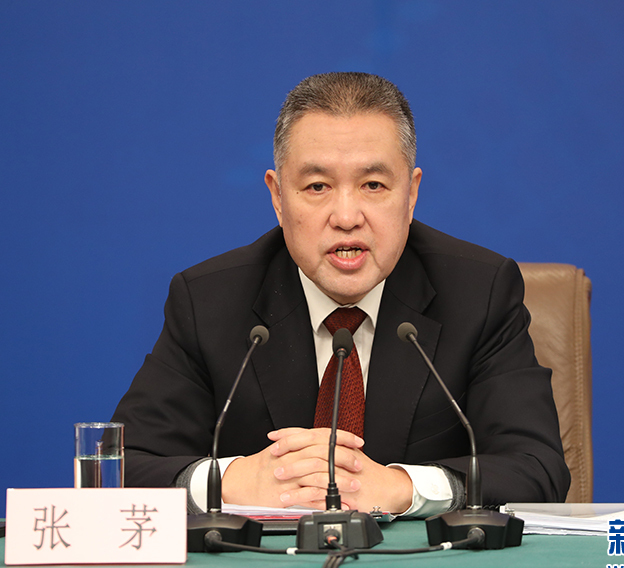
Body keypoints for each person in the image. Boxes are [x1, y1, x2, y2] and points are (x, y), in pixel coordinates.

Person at [112, 72, 569, 517]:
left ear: (411, 194)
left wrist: (403, 488)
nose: (347, 217)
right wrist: (230, 481)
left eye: (373, 185)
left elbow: (537, 469)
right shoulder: (209, 301)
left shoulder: (479, 292)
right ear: (277, 196)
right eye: (317, 187)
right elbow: (122, 466)